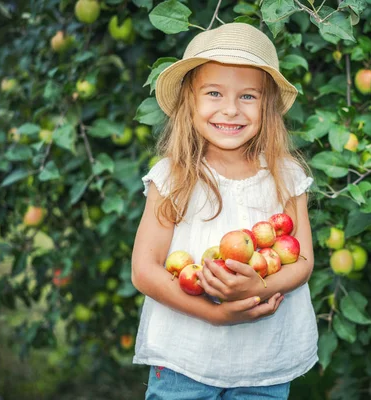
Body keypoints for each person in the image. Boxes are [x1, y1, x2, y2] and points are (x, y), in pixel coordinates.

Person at [131, 22, 318, 400]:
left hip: (263, 363)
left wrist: (257, 284)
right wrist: (216, 314)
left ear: (266, 106)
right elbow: (144, 270)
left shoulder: (285, 175)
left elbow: (303, 262)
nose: (230, 109)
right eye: (214, 93)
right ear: (191, 101)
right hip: (186, 357)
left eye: (248, 96)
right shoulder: (174, 176)